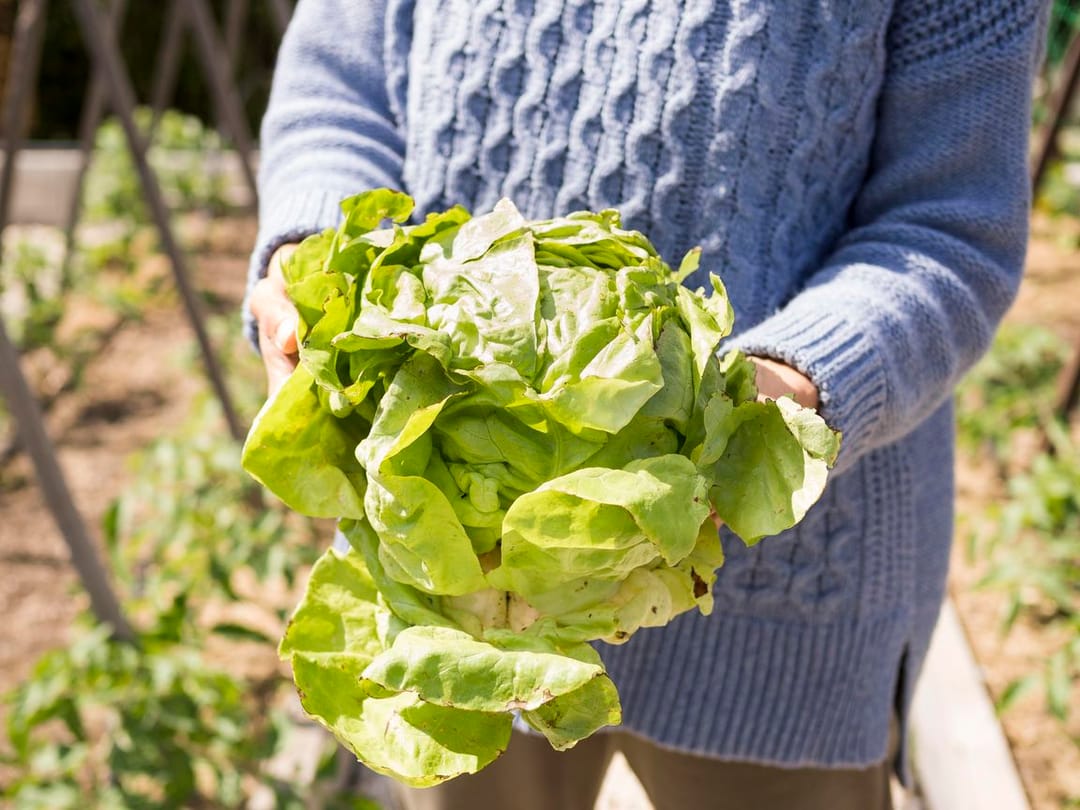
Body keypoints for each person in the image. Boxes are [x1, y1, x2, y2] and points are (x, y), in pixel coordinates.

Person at [245, 2, 1049, 808]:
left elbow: (950, 229)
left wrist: (766, 407)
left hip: (789, 615)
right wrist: (314, 262)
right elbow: (341, 87)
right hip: (458, 597)